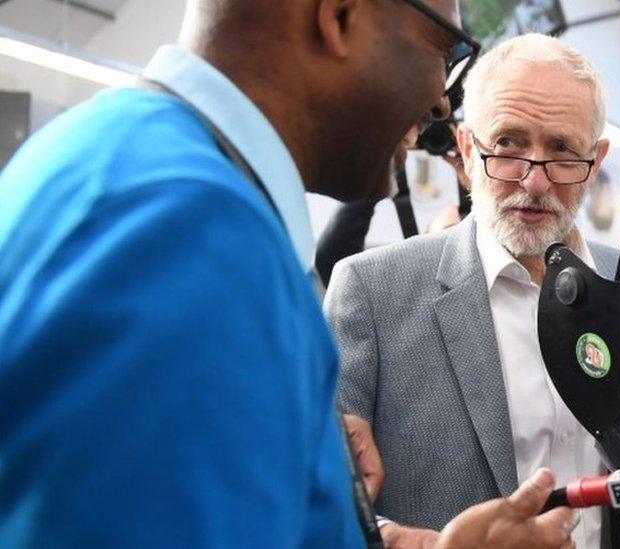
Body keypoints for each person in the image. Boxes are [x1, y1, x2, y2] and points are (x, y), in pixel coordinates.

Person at [0, 1, 578, 547]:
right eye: (444, 50)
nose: (439, 102)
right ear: (341, 14)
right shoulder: (190, 230)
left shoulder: (125, 158)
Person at [327, 34, 620, 548]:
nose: (534, 182)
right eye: (509, 144)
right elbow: (320, 495)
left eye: (562, 149)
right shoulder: (371, 293)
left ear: (596, 160)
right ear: (469, 149)